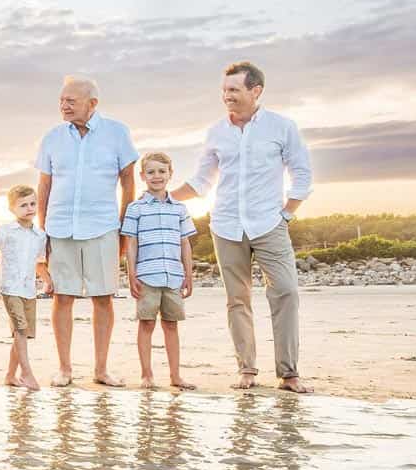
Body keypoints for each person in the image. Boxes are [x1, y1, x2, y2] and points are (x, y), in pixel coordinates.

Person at [171, 60, 315, 393]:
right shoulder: (216, 132)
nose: (227, 96)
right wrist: (162, 196)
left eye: (234, 90)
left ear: (256, 91)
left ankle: (289, 373)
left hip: (270, 224)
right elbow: (201, 182)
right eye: (224, 90)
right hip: (226, 225)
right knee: (237, 299)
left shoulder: (282, 127)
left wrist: (287, 213)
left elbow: (302, 173)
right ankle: (247, 369)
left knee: (286, 292)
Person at [35, 75, 138, 388]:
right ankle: (64, 369)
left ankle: (101, 369)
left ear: (92, 104)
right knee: (62, 297)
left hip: (103, 226)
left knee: (103, 298)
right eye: (61, 100)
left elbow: (129, 183)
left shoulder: (117, 133)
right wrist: (43, 232)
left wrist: (123, 229)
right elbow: (44, 185)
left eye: (71, 101)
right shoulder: (52, 137)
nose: (64, 106)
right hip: (60, 227)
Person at [121, 153, 198, 390]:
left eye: (161, 171)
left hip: (173, 276)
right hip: (146, 276)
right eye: (151, 172)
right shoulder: (136, 208)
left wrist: (188, 274)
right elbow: (130, 243)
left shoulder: (179, 209)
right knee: (146, 324)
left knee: (171, 325)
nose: (157, 176)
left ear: (170, 174)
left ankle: (175, 376)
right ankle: (147, 375)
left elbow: (185, 243)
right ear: (143, 176)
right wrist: (131, 274)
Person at [0, 184, 53, 391]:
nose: (29, 208)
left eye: (32, 204)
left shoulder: (40, 235)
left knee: (22, 334)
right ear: (12, 209)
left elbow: (39, 263)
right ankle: (27, 373)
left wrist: (48, 280)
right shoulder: (5, 231)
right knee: (21, 329)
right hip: (9, 288)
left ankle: (9, 375)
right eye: (23, 205)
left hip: (29, 290)